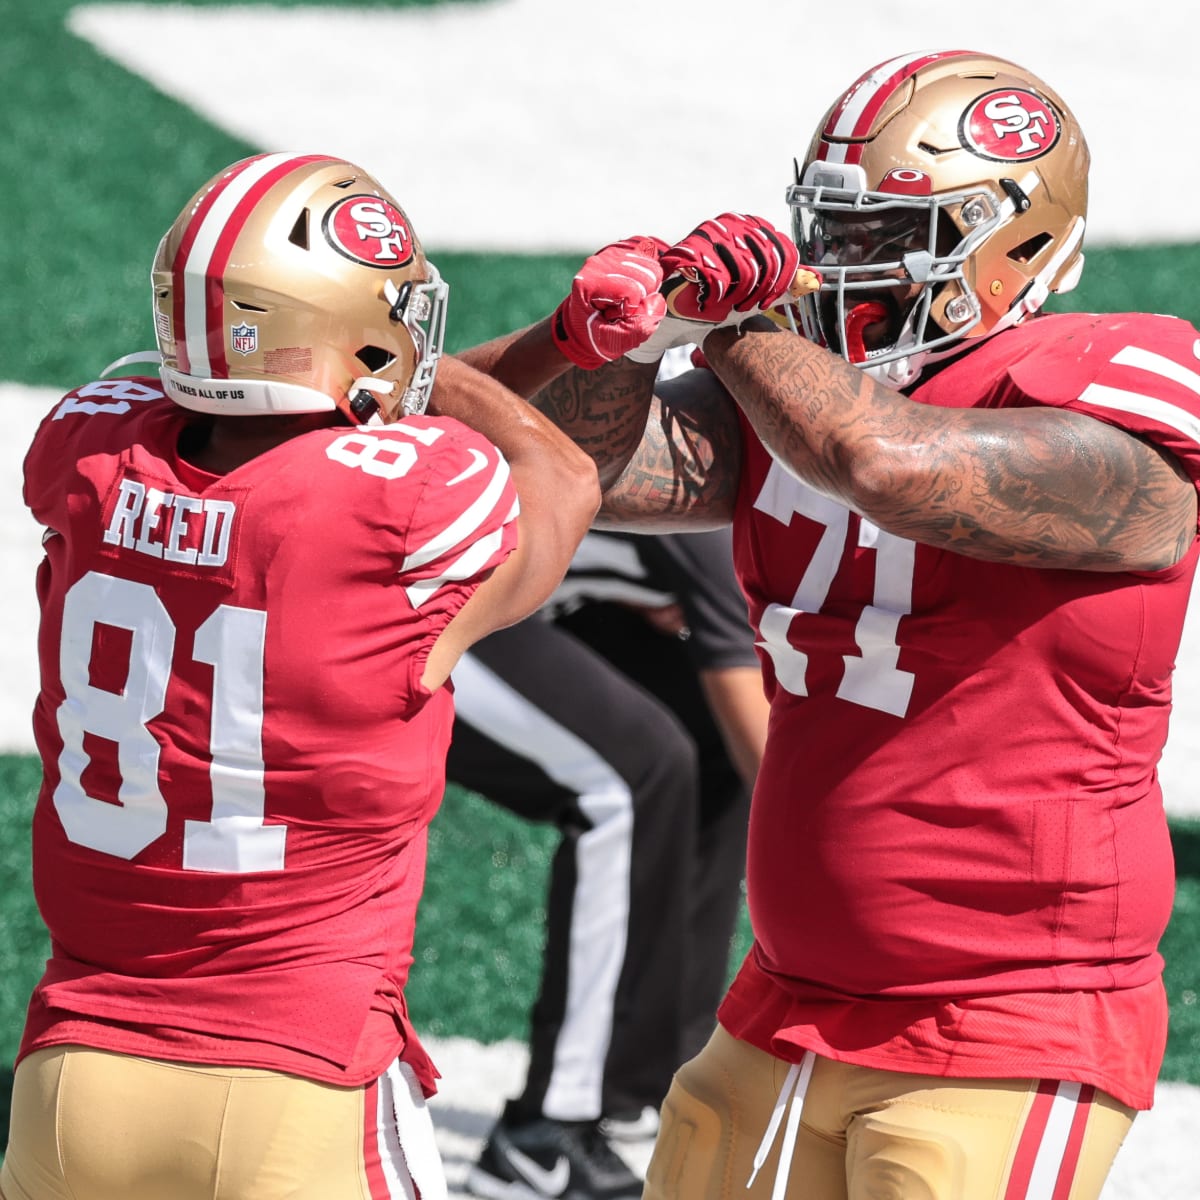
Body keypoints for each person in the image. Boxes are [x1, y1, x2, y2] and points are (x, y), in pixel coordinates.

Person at [459, 49, 1200, 1200]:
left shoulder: (1109, 396)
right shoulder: (794, 398)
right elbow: (566, 472)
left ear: (1012, 247)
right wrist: (617, 340)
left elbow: (886, 461)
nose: (841, 267)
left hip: (1004, 1022)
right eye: (832, 231)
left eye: (885, 236)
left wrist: (738, 326)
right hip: (785, 1003)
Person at [0, 153, 601, 1200]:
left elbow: (199, 413)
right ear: (355, 337)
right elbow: (559, 473)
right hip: (296, 1080)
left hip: (72, 1079)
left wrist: (536, 346)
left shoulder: (93, 459)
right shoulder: (401, 503)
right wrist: (522, 352)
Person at [450, 519, 768, 1200]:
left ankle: (656, 1090)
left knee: (705, 736)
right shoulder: (732, 495)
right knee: (636, 772)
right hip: (427, 602)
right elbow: (761, 734)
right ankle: (545, 1140)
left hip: (534, 598)